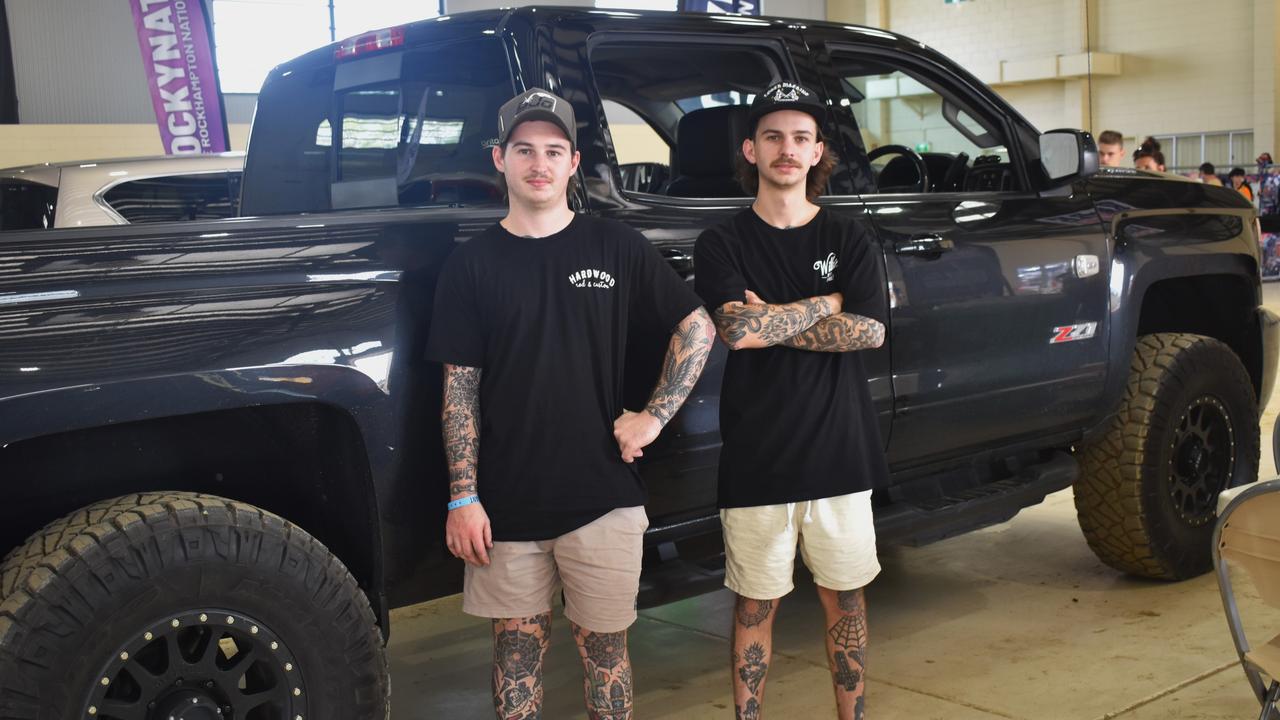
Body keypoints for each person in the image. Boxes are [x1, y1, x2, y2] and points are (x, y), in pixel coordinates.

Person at [425, 87, 715, 720]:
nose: (539, 163)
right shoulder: (470, 268)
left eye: (554, 150)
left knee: (606, 657)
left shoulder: (616, 247)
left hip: (602, 498)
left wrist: (654, 416)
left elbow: (698, 326)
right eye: (524, 149)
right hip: (505, 507)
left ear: (574, 162)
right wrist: (462, 496)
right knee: (515, 660)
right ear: (499, 158)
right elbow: (459, 391)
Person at [694, 82, 888, 720]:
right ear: (751, 149)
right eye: (773, 136)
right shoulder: (722, 241)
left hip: (841, 451)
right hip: (757, 457)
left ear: (817, 152)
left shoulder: (848, 236)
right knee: (755, 605)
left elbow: (869, 332)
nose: (787, 148)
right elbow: (738, 330)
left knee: (847, 601)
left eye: (800, 138)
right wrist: (825, 304)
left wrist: (776, 318)